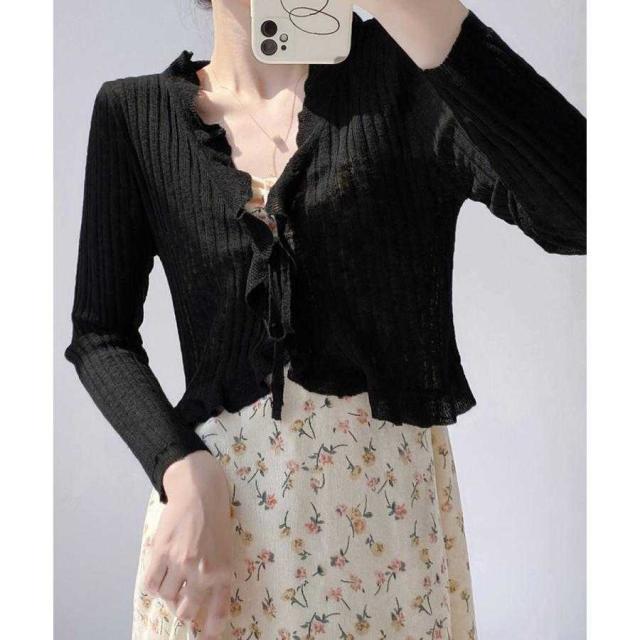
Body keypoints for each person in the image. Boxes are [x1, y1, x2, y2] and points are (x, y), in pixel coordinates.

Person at [64, 1, 586, 638]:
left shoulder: (405, 76)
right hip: (216, 534)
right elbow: (101, 333)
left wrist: (415, 10)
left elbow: (583, 210)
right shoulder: (134, 114)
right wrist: (177, 464)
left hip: (385, 535)